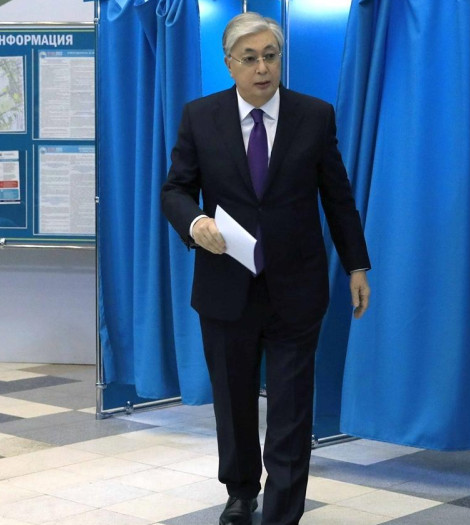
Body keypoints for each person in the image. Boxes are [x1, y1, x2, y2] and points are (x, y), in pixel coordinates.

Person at [160, 12, 371, 525]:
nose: (261, 68)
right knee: (232, 400)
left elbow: (337, 198)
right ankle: (239, 491)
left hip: (296, 286)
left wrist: (356, 266)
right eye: (250, 58)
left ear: (280, 60)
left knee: (291, 406)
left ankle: (283, 509)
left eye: (270, 57)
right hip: (225, 283)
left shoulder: (314, 115)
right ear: (229, 64)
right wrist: (194, 224)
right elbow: (175, 190)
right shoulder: (200, 116)